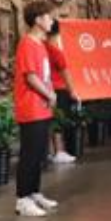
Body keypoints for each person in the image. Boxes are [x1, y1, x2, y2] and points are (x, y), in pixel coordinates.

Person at [13, 1, 61, 218]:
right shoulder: (27, 44)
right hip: (31, 107)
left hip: (42, 107)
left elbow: (44, 75)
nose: (52, 21)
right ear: (38, 20)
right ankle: (22, 199)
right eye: (49, 17)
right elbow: (31, 77)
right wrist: (50, 95)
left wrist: (50, 95)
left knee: (39, 153)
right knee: (29, 154)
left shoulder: (40, 44)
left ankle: (34, 193)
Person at [47, 21, 80, 165]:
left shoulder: (41, 48)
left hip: (46, 89)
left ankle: (50, 152)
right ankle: (59, 151)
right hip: (59, 89)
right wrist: (73, 92)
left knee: (50, 121)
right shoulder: (56, 51)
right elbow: (65, 73)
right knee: (58, 121)